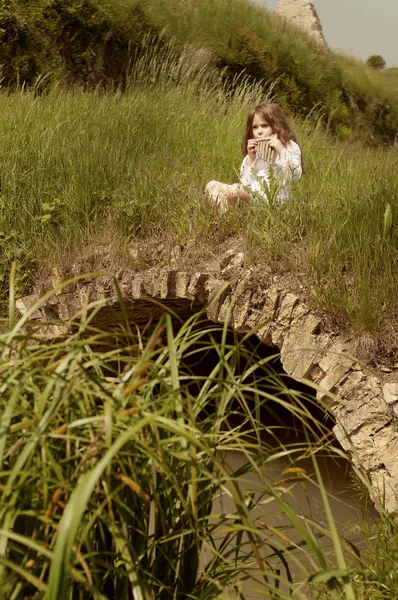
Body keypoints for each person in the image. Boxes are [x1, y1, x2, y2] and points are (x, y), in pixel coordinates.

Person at [205, 102, 302, 211]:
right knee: (212, 185)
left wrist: (280, 149)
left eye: (264, 126)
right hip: (253, 196)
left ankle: (226, 219)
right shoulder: (255, 153)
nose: (259, 132)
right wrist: (250, 159)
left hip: (276, 199)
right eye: (255, 127)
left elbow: (295, 176)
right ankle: (224, 219)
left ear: (276, 125)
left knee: (235, 190)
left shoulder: (289, 146)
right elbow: (245, 183)